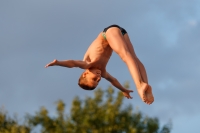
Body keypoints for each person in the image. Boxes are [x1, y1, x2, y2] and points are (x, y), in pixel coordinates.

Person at [45, 24, 154, 104]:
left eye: (94, 79)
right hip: (121, 33)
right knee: (134, 59)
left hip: (109, 33)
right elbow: (114, 81)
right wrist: (124, 90)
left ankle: (139, 86)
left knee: (125, 56)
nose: (98, 78)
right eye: (98, 82)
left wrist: (58, 63)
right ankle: (145, 86)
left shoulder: (87, 64)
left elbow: (72, 63)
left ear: (85, 74)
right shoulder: (102, 72)